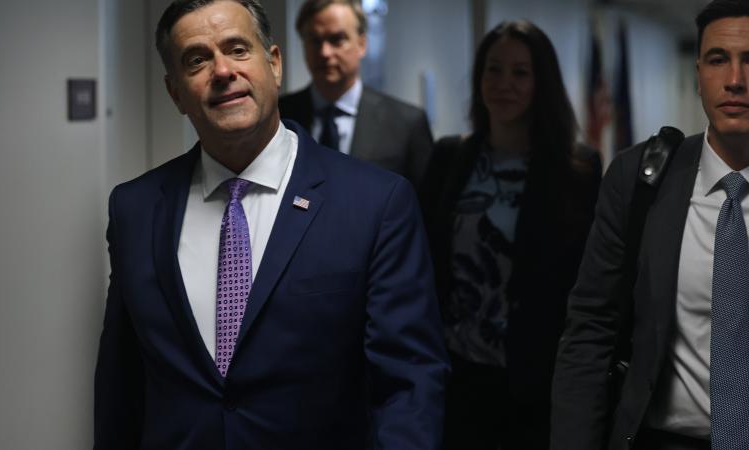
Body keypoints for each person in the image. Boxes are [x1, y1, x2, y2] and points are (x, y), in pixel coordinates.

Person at [92, 1, 449, 449]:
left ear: (274, 64)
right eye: (197, 60)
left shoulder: (375, 203)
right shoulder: (136, 209)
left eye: (237, 49)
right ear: (175, 92)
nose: (222, 71)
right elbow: (120, 383)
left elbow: (408, 382)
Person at [552, 1, 749, 449]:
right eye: (718, 60)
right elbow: (590, 329)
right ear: (698, 72)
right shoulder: (640, 180)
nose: (735, 80)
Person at [421, 20, 602, 450]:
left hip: (535, 383)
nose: (504, 84)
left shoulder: (577, 168)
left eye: (520, 72)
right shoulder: (450, 158)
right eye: (493, 70)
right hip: (457, 376)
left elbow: (588, 281)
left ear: (542, 83)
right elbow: (426, 260)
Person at [278, 0, 434, 187]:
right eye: (315, 40)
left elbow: (427, 207)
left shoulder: (406, 122)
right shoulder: (278, 115)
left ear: (362, 44)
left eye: (337, 39)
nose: (325, 52)